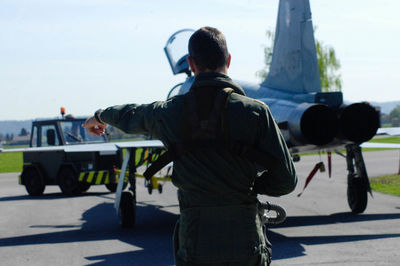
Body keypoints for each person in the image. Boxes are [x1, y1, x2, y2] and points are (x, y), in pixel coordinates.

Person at [83, 26, 297, 265]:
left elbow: (132, 114)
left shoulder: (169, 112)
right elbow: (287, 179)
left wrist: (100, 116)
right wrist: (248, 186)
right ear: (228, 60)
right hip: (245, 242)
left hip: (195, 242)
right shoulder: (256, 112)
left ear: (192, 65)